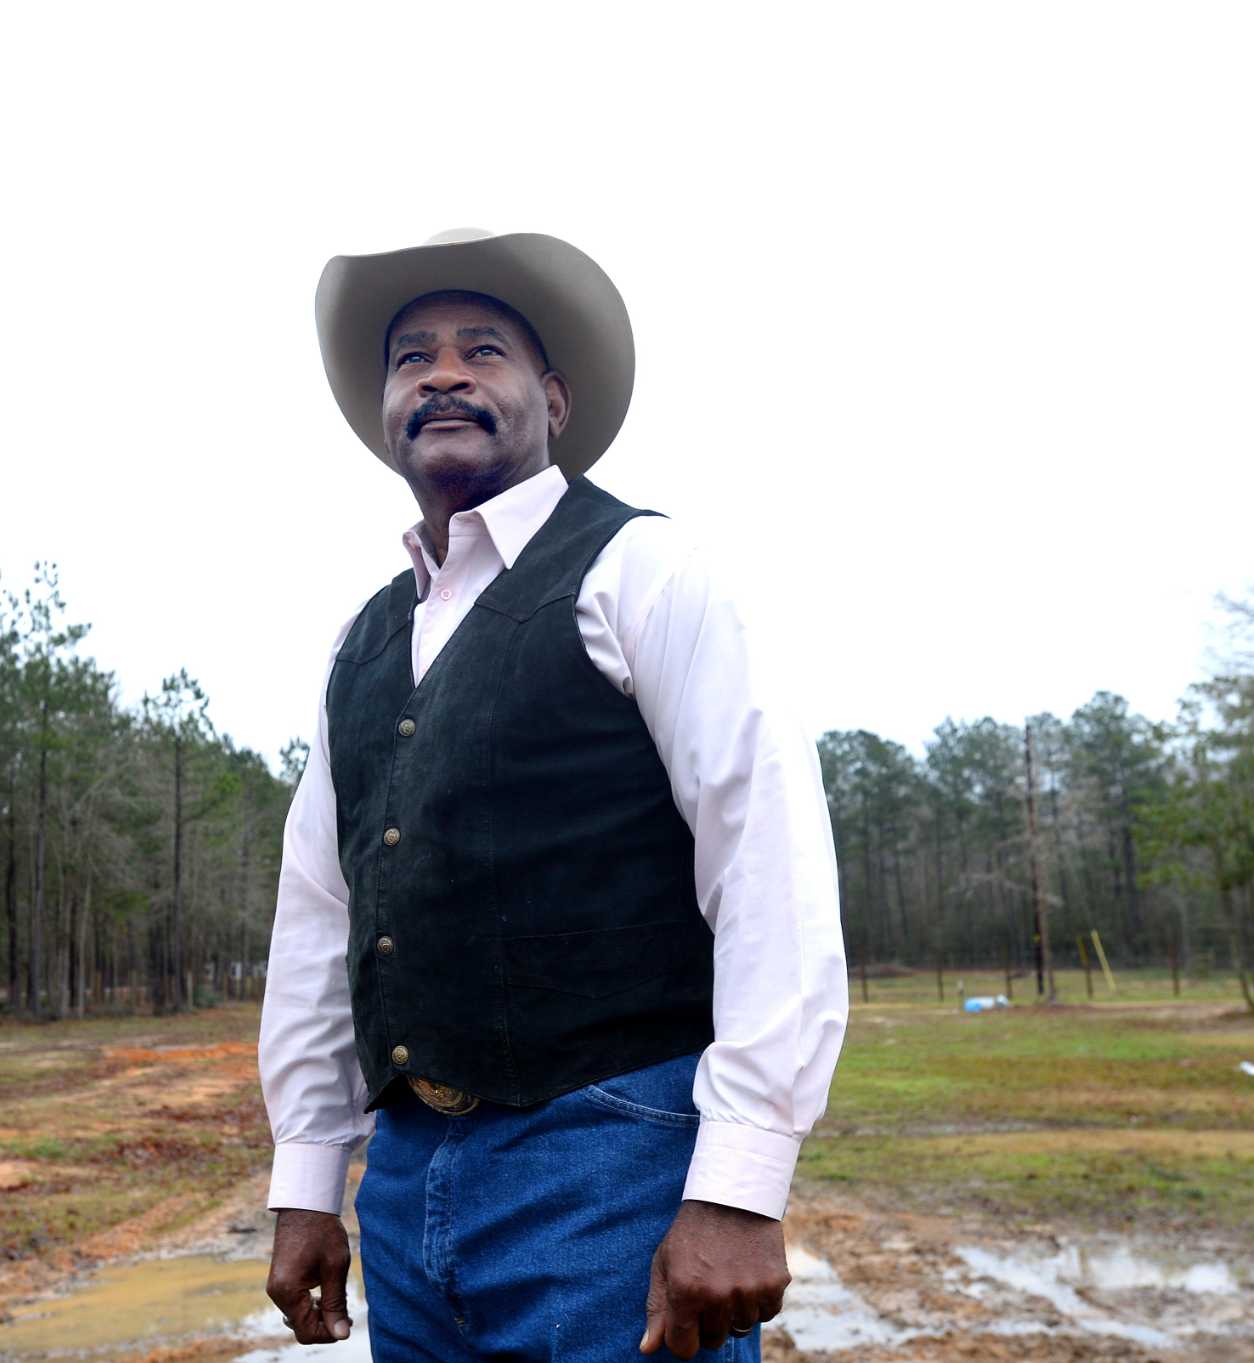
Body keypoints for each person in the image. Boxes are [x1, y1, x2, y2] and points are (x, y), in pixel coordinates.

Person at [257, 228, 848, 1362]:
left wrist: (735, 1185)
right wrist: (305, 1180)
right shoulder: (361, 642)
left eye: (482, 350)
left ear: (554, 399)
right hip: (407, 1179)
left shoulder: (644, 571)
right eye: (410, 358)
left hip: (613, 1158)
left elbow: (766, 861)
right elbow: (320, 917)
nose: (440, 373)